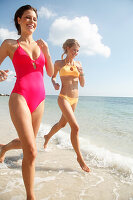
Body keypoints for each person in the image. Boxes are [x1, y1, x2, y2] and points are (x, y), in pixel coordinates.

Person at [0, 5, 54, 200]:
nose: (32, 21)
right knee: (31, 150)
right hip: (19, 96)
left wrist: (47, 51)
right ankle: (31, 197)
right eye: (28, 18)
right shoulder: (9, 44)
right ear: (19, 20)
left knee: (27, 145)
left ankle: (3, 148)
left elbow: (50, 73)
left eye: (35, 19)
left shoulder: (41, 46)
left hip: (39, 99)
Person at [44, 39, 90, 173]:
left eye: (78, 51)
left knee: (62, 124)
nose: (76, 53)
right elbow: (52, 77)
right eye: (74, 50)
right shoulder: (58, 63)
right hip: (63, 97)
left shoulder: (79, 64)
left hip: (75, 99)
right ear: (67, 48)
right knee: (75, 127)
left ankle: (47, 136)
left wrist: (81, 72)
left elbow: (82, 84)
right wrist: (55, 83)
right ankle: (79, 158)